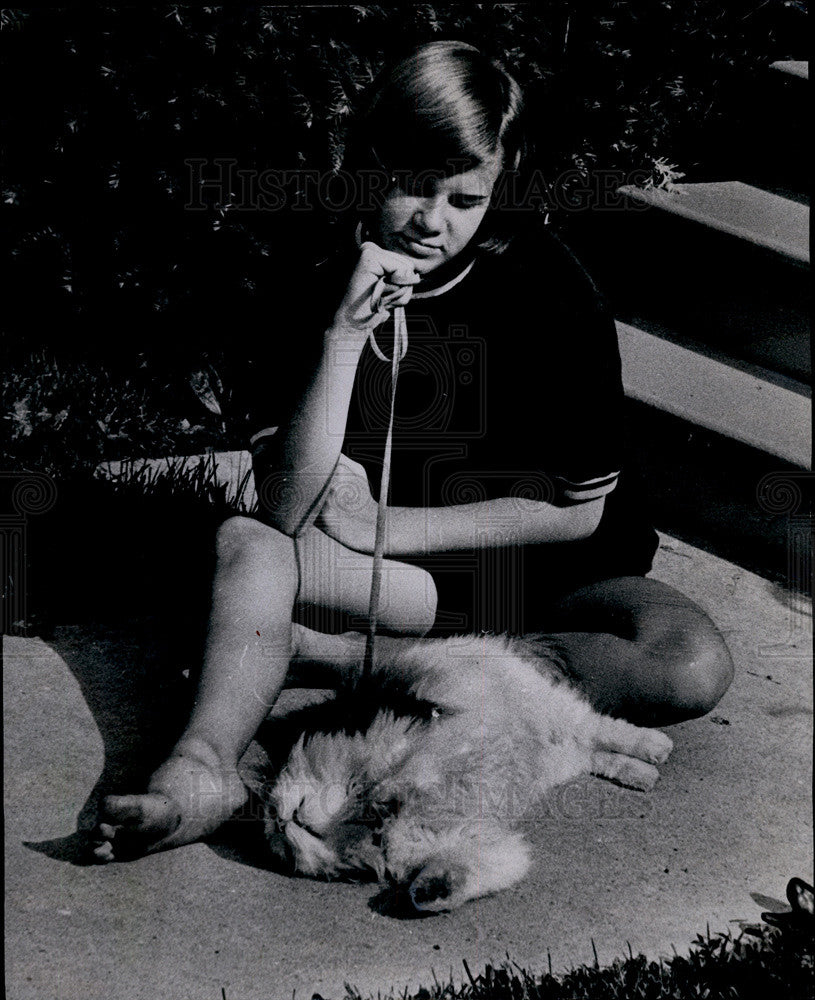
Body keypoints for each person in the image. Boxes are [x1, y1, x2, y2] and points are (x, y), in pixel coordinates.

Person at [90, 40, 733, 861]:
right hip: (410, 587)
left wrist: (385, 518)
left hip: (545, 571)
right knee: (247, 548)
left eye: (464, 199)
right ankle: (202, 767)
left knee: (689, 663)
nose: (434, 220)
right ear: (365, 165)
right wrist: (343, 336)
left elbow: (577, 514)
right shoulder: (310, 272)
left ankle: (330, 658)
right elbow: (285, 509)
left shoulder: (547, 284)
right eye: (411, 187)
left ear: (500, 185)